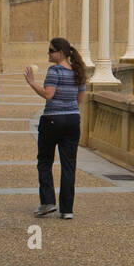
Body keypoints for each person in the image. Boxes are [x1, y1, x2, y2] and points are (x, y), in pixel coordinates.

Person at [25, 37, 86, 219]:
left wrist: (32, 82)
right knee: (69, 164)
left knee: (45, 161)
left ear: (60, 52)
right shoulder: (78, 71)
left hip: (52, 119)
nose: (49, 54)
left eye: (51, 50)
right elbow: (80, 99)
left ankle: (48, 202)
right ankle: (67, 209)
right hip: (73, 119)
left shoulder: (55, 70)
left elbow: (48, 94)